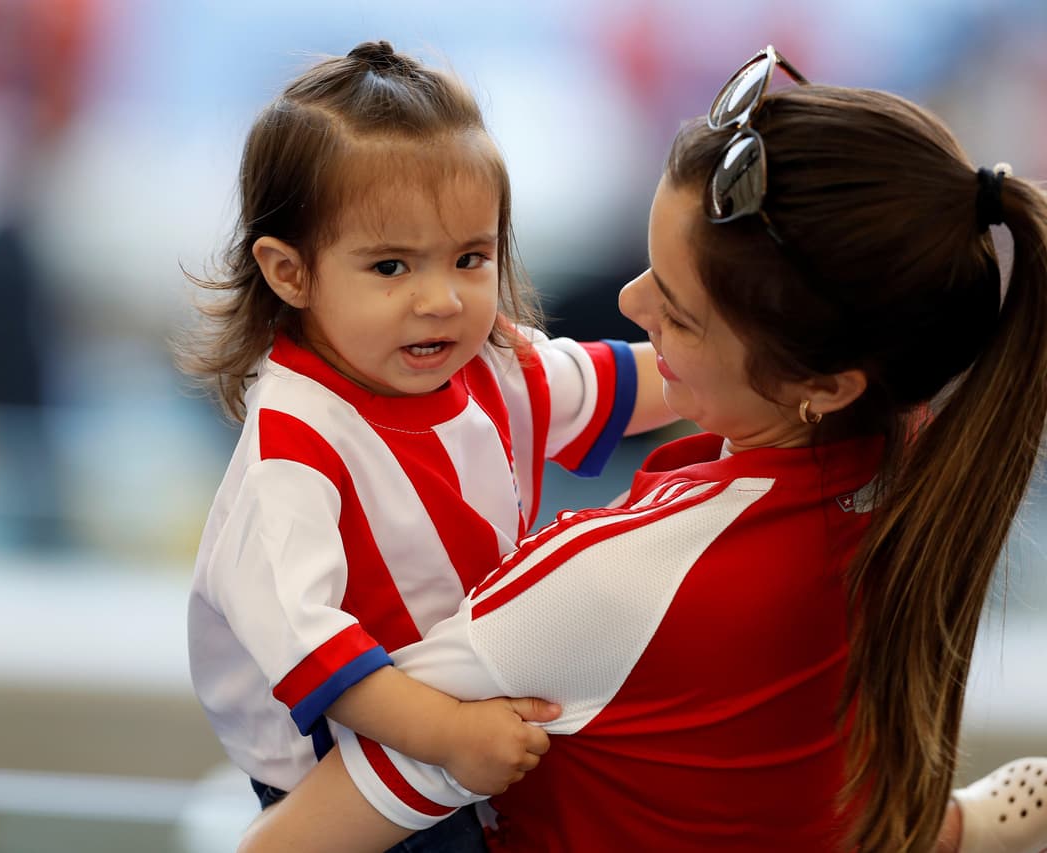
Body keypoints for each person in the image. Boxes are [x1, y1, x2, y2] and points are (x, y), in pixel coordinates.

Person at [234, 45, 1047, 853]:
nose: (628, 301)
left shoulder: (605, 586)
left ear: (829, 382)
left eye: (680, 314)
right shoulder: (913, 447)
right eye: (389, 265)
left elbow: (300, 835)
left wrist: (445, 737)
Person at [180, 40, 674, 851]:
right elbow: (316, 655)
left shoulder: (487, 362)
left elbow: (623, 384)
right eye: (390, 265)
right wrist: (447, 735)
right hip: (343, 751)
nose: (440, 299)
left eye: (470, 257)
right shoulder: (293, 445)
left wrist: (746, 363)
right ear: (289, 272)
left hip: (455, 702)